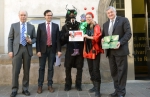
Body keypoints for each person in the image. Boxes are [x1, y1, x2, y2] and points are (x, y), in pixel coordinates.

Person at [102, 6, 132, 97]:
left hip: (121, 50)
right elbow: (104, 36)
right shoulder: (105, 24)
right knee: (114, 72)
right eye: (108, 13)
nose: (110, 14)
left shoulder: (123, 20)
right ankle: (117, 90)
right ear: (107, 14)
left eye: (111, 12)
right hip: (110, 52)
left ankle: (121, 92)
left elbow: (128, 33)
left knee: (121, 71)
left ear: (115, 12)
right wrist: (103, 40)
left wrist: (120, 42)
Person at [8, 10, 36, 97]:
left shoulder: (31, 27)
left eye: (24, 15)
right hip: (17, 49)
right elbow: (10, 38)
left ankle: (25, 89)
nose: (23, 16)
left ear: (27, 16)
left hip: (27, 49)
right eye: (21, 15)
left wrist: (31, 41)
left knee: (26, 71)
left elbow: (35, 38)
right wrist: (10, 50)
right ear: (19, 16)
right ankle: (14, 89)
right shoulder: (14, 25)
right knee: (15, 71)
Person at [36, 10, 61, 94]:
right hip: (42, 50)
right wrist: (38, 50)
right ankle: (40, 86)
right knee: (41, 68)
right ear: (44, 16)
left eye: (51, 15)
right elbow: (38, 40)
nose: (49, 16)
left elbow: (58, 39)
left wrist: (59, 50)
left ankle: (50, 85)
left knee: (51, 68)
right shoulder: (40, 26)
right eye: (48, 15)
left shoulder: (56, 26)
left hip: (52, 50)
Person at [60, 7, 84, 91]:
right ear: (67, 16)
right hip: (70, 50)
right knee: (68, 67)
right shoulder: (64, 27)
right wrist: (66, 35)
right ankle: (68, 84)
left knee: (80, 67)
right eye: (70, 15)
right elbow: (61, 40)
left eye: (73, 15)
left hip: (79, 49)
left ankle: (78, 84)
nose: (72, 16)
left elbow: (84, 35)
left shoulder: (80, 25)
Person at [83, 12, 104, 97]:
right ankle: (95, 86)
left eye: (89, 17)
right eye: (86, 17)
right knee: (91, 69)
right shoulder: (85, 26)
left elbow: (97, 38)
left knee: (96, 69)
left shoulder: (96, 26)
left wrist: (87, 37)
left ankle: (98, 90)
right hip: (88, 50)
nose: (88, 18)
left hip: (95, 50)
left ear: (92, 17)